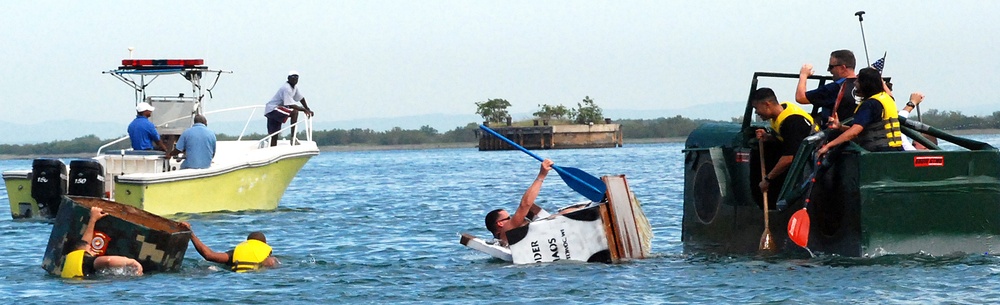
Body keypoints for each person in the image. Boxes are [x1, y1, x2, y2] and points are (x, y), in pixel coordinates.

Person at [817, 67, 904, 156]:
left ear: (865, 84)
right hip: (897, 151)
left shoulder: (870, 104)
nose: (855, 83)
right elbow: (865, 130)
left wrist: (828, 146)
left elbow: (854, 132)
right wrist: (840, 127)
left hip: (879, 154)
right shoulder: (888, 98)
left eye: (858, 81)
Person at [751, 88, 819, 195]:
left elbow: (789, 157)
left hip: (813, 159)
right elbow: (787, 138)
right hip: (803, 158)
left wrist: (768, 179)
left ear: (767, 104)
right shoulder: (780, 114)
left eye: (756, 108)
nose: (756, 112)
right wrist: (768, 137)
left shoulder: (792, 121)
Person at [484, 159, 555, 246]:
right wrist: (541, 175)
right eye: (509, 218)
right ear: (500, 223)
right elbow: (525, 205)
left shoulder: (502, 240)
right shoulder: (506, 231)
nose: (513, 218)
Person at [61, 207, 144, 278]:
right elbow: (108, 261)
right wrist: (132, 261)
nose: (93, 251)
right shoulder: (87, 260)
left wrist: (93, 219)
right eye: (91, 249)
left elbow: (85, 243)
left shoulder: (70, 258)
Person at [180, 222, 279, 272]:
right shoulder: (270, 259)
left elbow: (208, 255)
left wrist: (190, 233)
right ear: (264, 246)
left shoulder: (234, 254)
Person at [795, 49, 859, 126]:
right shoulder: (864, 85)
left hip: (834, 133)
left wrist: (803, 75)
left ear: (843, 68)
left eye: (831, 67)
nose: (828, 70)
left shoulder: (836, 88)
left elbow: (801, 98)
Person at [264, 70, 315, 147]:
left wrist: (307, 108)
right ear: (288, 78)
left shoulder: (294, 88)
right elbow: (290, 105)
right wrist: (304, 110)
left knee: (275, 134)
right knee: (294, 112)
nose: (295, 79)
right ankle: (293, 138)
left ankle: (272, 147)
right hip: (273, 109)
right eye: (293, 77)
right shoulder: (286, 88)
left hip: (276, 109)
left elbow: (301, 98)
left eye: (297, 78)